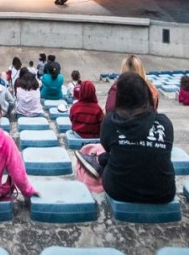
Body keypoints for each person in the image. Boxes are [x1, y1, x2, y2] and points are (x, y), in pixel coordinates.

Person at [75, 72, 176, 204]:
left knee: (111, 152)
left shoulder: (111, 121)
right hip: (163, 193)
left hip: (119, 191)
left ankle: (99, 161)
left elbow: (107, 147)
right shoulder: (164, 123)